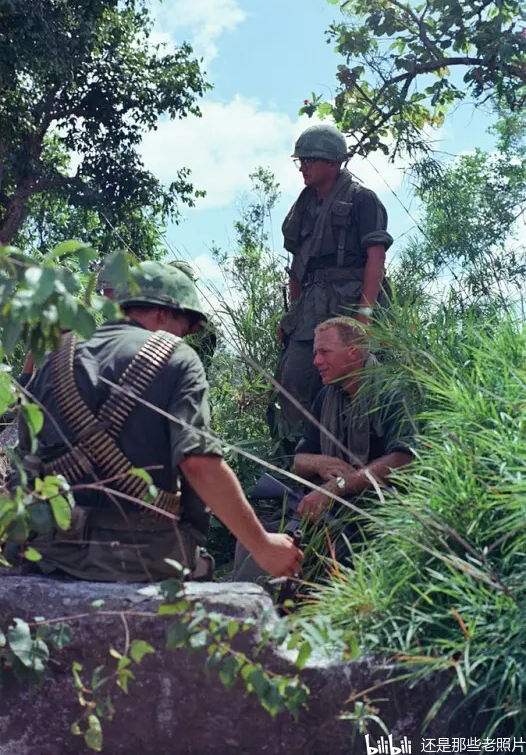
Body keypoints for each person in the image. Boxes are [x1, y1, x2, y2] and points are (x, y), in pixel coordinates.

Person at [5, 262, 303, 583]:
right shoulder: (176, 356)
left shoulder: (55, 356)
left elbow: (22, 465)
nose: (183, 337)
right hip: (140, 557)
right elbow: (199, 464)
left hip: (47, 553)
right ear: (162, 314)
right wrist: (262, 545)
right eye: (185, 326)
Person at [231, 317, 413, 583]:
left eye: (324, 352)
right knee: (253, 539)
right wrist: (318, 463)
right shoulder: (325, 397)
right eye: (315, 352)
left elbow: (405, 459)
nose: (315, 361)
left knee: (280, 565)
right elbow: (299, 460)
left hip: (369, 515)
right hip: (320, 510)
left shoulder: (391, 393)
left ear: (356, 350)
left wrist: (337, 486)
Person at [272, 124, 393, 450]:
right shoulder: (302, 208)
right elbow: (298, 269)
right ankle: (300, 462)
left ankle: (365, 460)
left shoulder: (361, 200)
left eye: (312, 159)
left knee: (359, 381)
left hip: (349, 302)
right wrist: (291, 316)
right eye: (302, 160)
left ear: (333, 162)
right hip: (310, 307)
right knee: (293, 381)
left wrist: (365, 315)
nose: (304, 167)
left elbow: (375, 257)